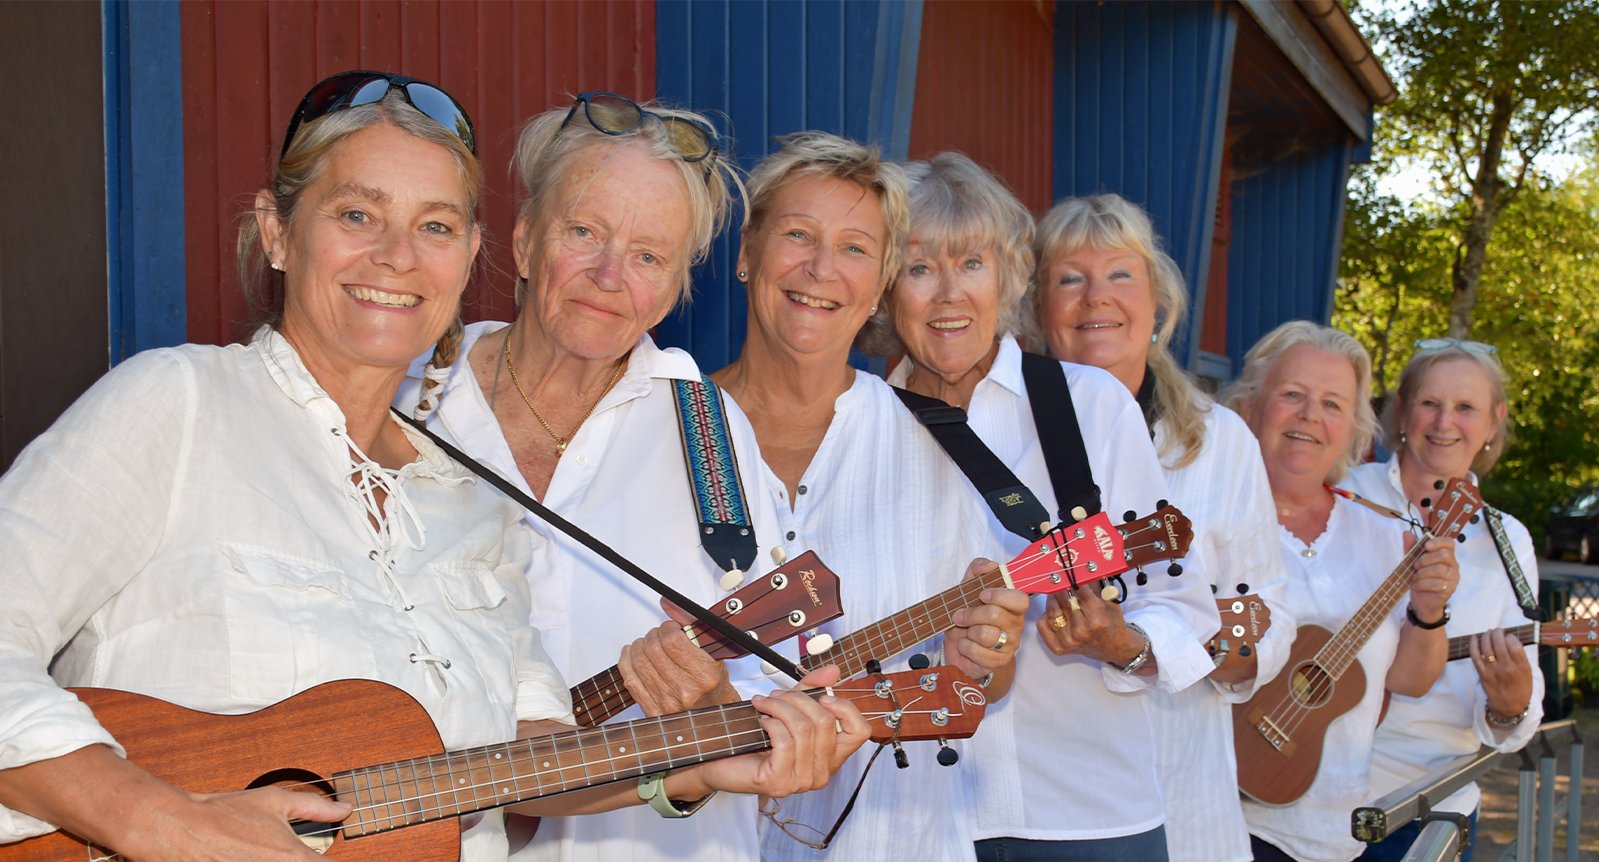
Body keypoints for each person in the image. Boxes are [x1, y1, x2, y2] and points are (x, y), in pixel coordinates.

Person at [0, 72, 864, 862]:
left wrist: (699, 772)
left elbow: (529, 762)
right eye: (356, 215)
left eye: (436, 227)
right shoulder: (178, 404)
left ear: (468, 257)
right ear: (276, 233)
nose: (398, 256)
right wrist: (165, 823)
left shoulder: (467, 501)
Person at [397, 92, 843, 862]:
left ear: (674, 288)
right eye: (584, 233)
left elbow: (778, 683)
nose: (610, 275)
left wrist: (706, 699)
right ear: (526, 240)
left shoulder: (706, 433)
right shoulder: (409, 398)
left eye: (648, 256)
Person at [875, 162, 1219, 861]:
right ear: (883, 288)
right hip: (903, 819)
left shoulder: (1089, 404)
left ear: (1007, 279)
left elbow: (1184, 606)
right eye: (918, 268)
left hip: (1085, 817)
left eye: (971, 263)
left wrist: (1119, 642)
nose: (948, 295)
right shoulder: (858, 423)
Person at [710, 134, 1026, 861]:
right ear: (745, 252)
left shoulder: (941, 446)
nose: (821, 269)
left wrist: (986, 652)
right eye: (796, 235)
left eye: (855, 248)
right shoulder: (668, 426)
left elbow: (982, 674)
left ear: (881, 281)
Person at [1024, 192, 1293, 862]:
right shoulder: (1000, 434)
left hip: (1185, 791)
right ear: (1036, 309)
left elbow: (1269, 612)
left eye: (1120, 274)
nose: (1096, 298)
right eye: (1069, 278)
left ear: (1157, 302)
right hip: (1042, 803)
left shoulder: (1222, 440)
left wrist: (1225, 642)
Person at [1219, 322, 1460, 862]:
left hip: (1338, 832)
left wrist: (1428, 613)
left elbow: (1408, 679)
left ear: (1353, 427)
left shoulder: (1382, 533)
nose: (1310, 416)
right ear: (1250, 405)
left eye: (1332, 403)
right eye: (1293, 395)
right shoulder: (1212, 518)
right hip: (1220, 823)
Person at [1347, 339, 1541, 862]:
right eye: (1430, 403)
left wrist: (1510, 702)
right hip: (1295, 788)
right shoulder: (1340, 495)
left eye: (1466, 408)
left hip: (1422, 813)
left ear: (1494, 421)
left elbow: (1513, 724)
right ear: (1404, 409)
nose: (1444, 423)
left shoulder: (1506, 541)